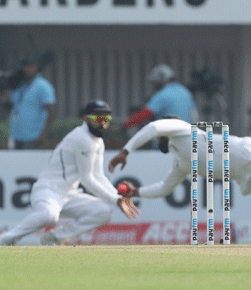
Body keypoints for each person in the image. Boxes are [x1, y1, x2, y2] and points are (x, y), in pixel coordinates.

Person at [108, 117, 251, 221]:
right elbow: (164, 188)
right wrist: (136, 193)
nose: (157, 140)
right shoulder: (181, 161)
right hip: (246, 179)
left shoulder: (183, 130)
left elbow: (155, 127)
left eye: (159, 138)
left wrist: (125, 151)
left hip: (250, 154)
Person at [0, 101, 140, 246]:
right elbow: (87, 179)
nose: (102, 123)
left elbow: (99, 176)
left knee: (103, 212)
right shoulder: (82, 138)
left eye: (106, 118)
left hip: (69, 195)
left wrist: (118, 197)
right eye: (98, 118)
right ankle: (6, 239)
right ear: (86, 119)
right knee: (49, 217)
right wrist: (116, 200)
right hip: (48, 191)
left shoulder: (98, 141)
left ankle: (55, 237)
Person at [123, 64, 198, 129]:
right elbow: (194, 116)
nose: (154, 85)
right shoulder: (185, 91)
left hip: (165, 140)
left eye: (154, 82)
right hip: (185, 138)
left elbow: (146, 114)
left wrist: (124, 125)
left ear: (161, 80)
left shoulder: (162, 94)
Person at [9, 54, 56, 150]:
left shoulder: (43, 86)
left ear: (36, 67)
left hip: (33, 137)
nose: (27, 69)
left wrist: (42, 135)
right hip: (16, 136)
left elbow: (51, 112)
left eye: (31, 66)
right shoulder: (19, 86)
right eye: (25, 66)